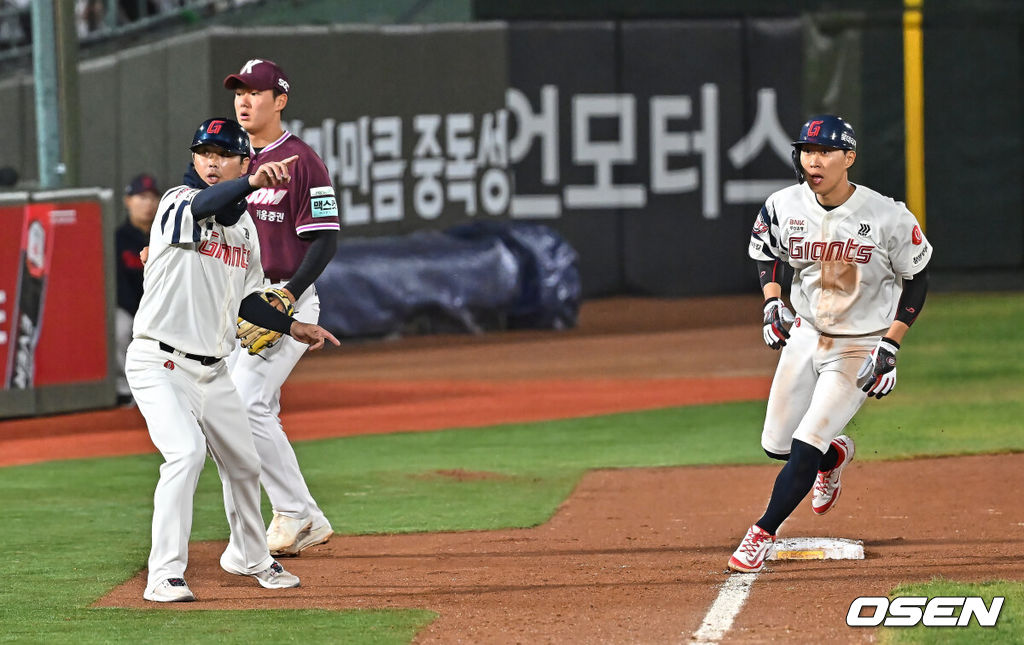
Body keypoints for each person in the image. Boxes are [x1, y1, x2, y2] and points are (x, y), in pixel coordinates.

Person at [125, 117, 340, 602]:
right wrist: (253, 182)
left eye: (224, 153)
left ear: (244, 159)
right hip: (159, 362)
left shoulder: (244, 230)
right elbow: (207, 203)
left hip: (213, 370)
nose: (212, 161)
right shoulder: (178, 203)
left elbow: (249, 299)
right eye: (204, 152)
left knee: (244, 464)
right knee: (184, 454)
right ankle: (164, 575)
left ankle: (248, 556)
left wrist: (293, 326)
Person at [729, 115, 933, 573]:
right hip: (803, 337)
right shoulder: (783, 205)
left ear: (849, 158)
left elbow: (917, 279)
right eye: (806, 151)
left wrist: (891, 346)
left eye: (823, 152)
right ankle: (834, 455)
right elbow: (767, 252)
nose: (812, 161)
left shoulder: (886, 215)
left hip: (859, 347)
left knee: (805, 443)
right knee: (777, 446)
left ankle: (761, 532)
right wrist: (772, 303)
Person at [222, 58, 341, 556]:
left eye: (256, 91)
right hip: (236, 301)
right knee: (237, 408)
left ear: (280, 100)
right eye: (239, 92)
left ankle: (294, 513)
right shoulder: (230, 159)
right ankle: (305, 516)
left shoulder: (302, 160)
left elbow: (325, 239)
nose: (245, 100)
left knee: (248, 404)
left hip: (287, 301)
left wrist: (290, 294)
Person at [114, 172, 161, 406]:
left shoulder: (165, 235)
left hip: (161, 308)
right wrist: (139, 313)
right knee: (120, 329)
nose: (148, 204)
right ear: (128, 200)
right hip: (129, 307)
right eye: (141, 197)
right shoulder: (117, 238)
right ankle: (125, 389)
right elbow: (118, 285)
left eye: (153, 198)